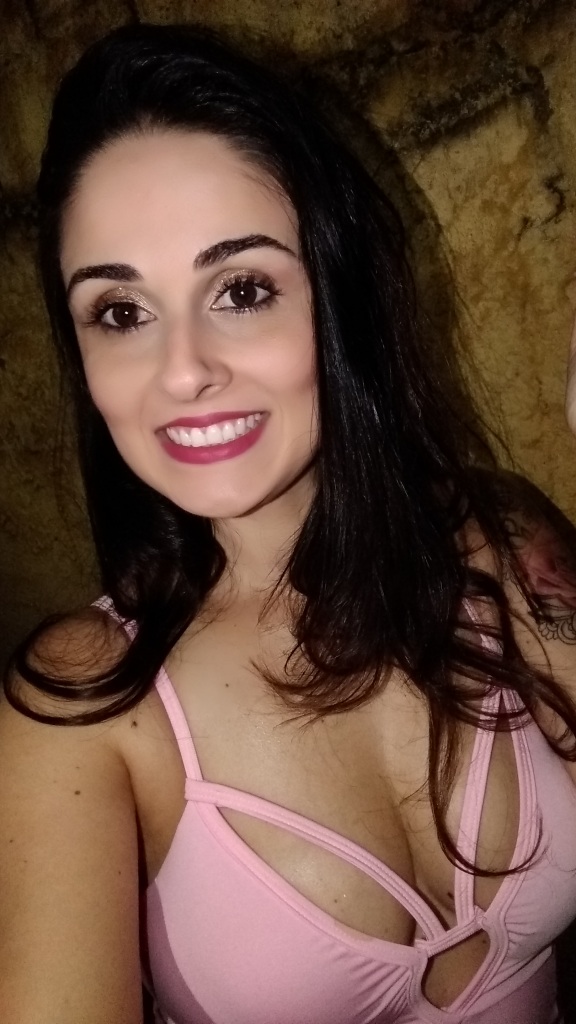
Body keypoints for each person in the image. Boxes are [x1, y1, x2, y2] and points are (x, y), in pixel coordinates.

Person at [1, 23, 576, 1024]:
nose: (183, 370)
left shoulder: (500, 538)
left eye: (242, 290)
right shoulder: (80, 706)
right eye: (121, 312)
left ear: (337, 292)